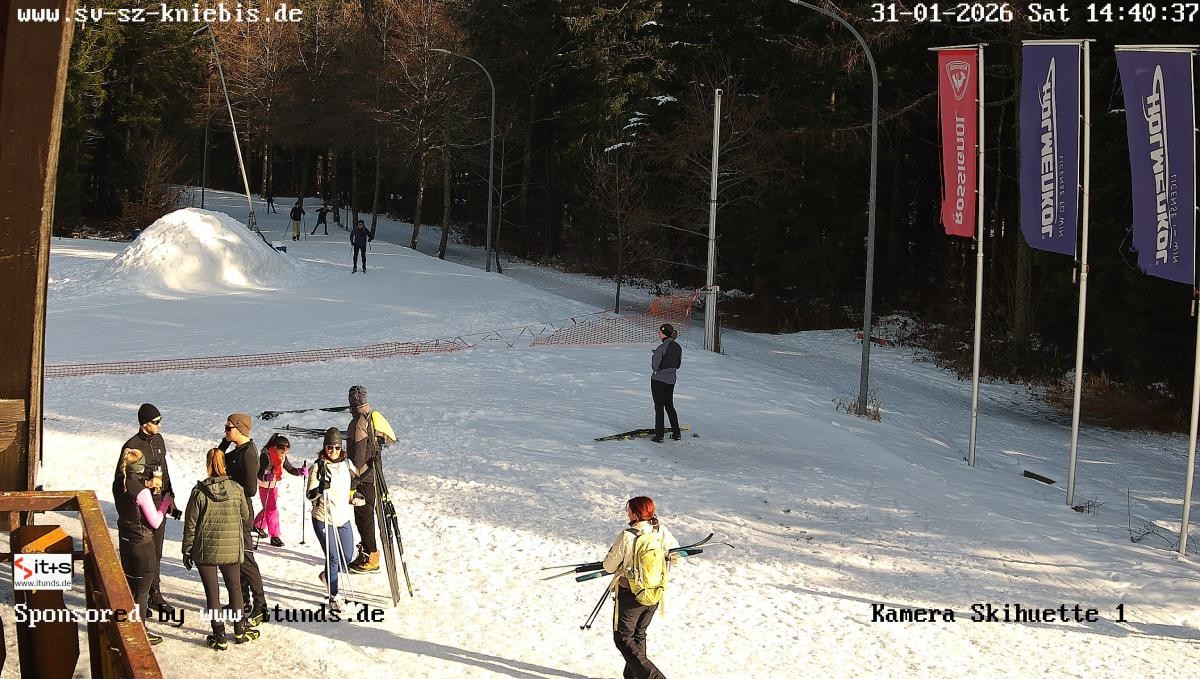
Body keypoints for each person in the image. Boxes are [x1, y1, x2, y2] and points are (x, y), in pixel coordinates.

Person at [182, 448, 260, 650]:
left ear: (208, 465)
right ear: (224, 464)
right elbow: (245, 516)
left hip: (205, 549)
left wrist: (187, 549)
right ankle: (240, 630)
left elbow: (190, 523)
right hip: (231, 548)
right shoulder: (236, 488)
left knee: (212, 593)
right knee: (234, 588)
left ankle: (219, 635)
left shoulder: (199, 492)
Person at [602, 496, 680, 679]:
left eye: (629, 510)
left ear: (636, 514)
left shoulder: (628, 536)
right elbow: (675, 555)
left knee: (623, 638)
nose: (627, 513)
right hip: (655, 592)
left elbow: (609, 566)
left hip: (631, 594)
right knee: (638, 635)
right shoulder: (661, 531)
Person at [114, 403, 176, 619]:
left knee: (156, 552)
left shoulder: (158, 440)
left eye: (160, 420)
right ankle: (139, 596)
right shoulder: (132, 445)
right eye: (156, 422)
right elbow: (122, 478)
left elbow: (164, 468)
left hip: (159, 501)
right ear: (144, 424)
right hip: (142, 503)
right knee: (142, 556)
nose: (160, 425)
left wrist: (170, 495)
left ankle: (154, 592)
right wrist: (145, 485)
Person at [114, 447, 172, 645]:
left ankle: (125, 624)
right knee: (142, 589)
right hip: (143, 542)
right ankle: (140, 629)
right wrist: (165, 502)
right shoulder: (142, 492)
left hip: (125, 540)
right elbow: (155, 521)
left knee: (129, 585)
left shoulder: (118, 484)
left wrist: (145, 485)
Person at [219, 413, 267, 624]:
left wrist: (231, 484)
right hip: (232, 510)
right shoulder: (238, 450)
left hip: (242, 511)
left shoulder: (248, 453)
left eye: (228, 428)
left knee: (246, 559)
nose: (226, 431)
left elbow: (251, 489)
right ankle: (241, 601)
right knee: (234, 557)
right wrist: (224, 442)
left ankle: (260, 604)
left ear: (240, 429)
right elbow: (218, 458)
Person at [345, 385, 396, 573]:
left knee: (364, 519)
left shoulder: (358, 423)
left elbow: (357, 460)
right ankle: (369, 551)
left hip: (363, 480)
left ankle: (371, 556)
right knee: (367, 518)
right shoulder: (373, 416)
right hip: (374, 475)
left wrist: (352, 484)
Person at [307, 427, 355, 612]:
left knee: (347, 557)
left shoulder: (347, 464)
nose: (332, 451)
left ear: (341, 448)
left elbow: (355, 480)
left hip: (342, 518)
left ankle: (327, 575)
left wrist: (355, 495)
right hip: (323, 518)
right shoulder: (318, 467)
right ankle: (334, 597)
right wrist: (320, 489)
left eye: (336, 447)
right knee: (333, 557)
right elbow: (309, 494)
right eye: (329, 447)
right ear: (324, 447)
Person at [254, 434, 307, 547]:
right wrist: (265, 476)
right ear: (275, 448)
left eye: (285, 452)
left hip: (274, 484)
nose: (283, 455)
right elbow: (258, 473)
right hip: (265, 485)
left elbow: (289, 468)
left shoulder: (282, 456)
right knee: (272, 509)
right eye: (282, 452)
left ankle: (258, 524)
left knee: (269, 507)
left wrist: (300, 471)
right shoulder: (266, 456)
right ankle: (274, 536)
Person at [650, 324, 683, 443]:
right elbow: (678, 365)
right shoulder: (678, 347)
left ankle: (659, 436)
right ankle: (676, 433)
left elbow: (655, 366)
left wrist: (655, 356)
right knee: (669, 406)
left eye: (660, 331)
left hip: (658, 380)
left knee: (659, 407)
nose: (658, 333)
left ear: (664, 333)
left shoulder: (662, 347)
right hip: (671, 380)